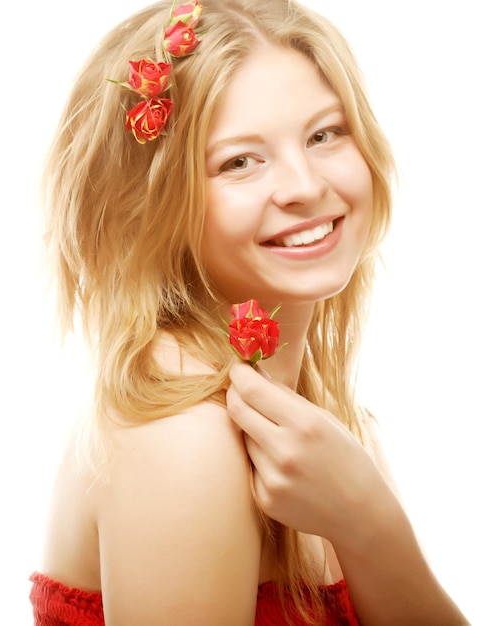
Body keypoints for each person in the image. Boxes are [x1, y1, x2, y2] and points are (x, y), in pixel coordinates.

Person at [29, 0, 470, 624]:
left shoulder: (329, 431)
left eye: (325, 134)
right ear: (152, 204)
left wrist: (369, 523)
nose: (304, 186)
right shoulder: (183, 437)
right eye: (239, 161)